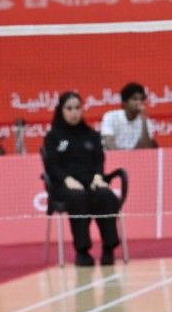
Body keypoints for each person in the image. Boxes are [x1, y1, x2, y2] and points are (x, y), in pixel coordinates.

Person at [45, 92, 121, 267]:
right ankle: (82, 251)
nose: (74, 113)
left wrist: (98, 177)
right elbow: (52, 165)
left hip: (91, 182)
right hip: (65, 186)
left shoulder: (91, 135)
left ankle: (109, 248)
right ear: (61, 110)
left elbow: (99, 160)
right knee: (77, 197)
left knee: (106, 196)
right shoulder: (53, 137)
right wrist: (66, 179)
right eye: (69, 108)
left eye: (77, 108)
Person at [99, 83, 158, 150]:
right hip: (112, 155)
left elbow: (146, 148)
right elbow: (109, 142)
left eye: (141, 99)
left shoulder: (146, 122)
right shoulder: (111, 117)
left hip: (135, 156)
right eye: (135, 99)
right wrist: (121, 156)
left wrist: (143, 119)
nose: (139, 102)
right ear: (125, 102)